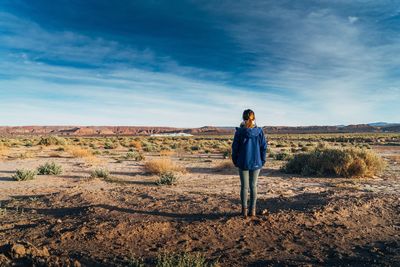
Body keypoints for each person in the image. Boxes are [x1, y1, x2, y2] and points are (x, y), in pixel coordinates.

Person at [231, 109, 267, 218]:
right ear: (254, 118)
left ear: (243, 118)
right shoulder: (259, 132)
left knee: (244, 187)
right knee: (253, 186)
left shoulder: (239, 132)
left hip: (242, 162)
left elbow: (234, 148)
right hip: (256, 162)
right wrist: (262, 160)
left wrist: (235, 161)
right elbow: (263, 147)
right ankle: (253, 211)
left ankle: (244, 211)